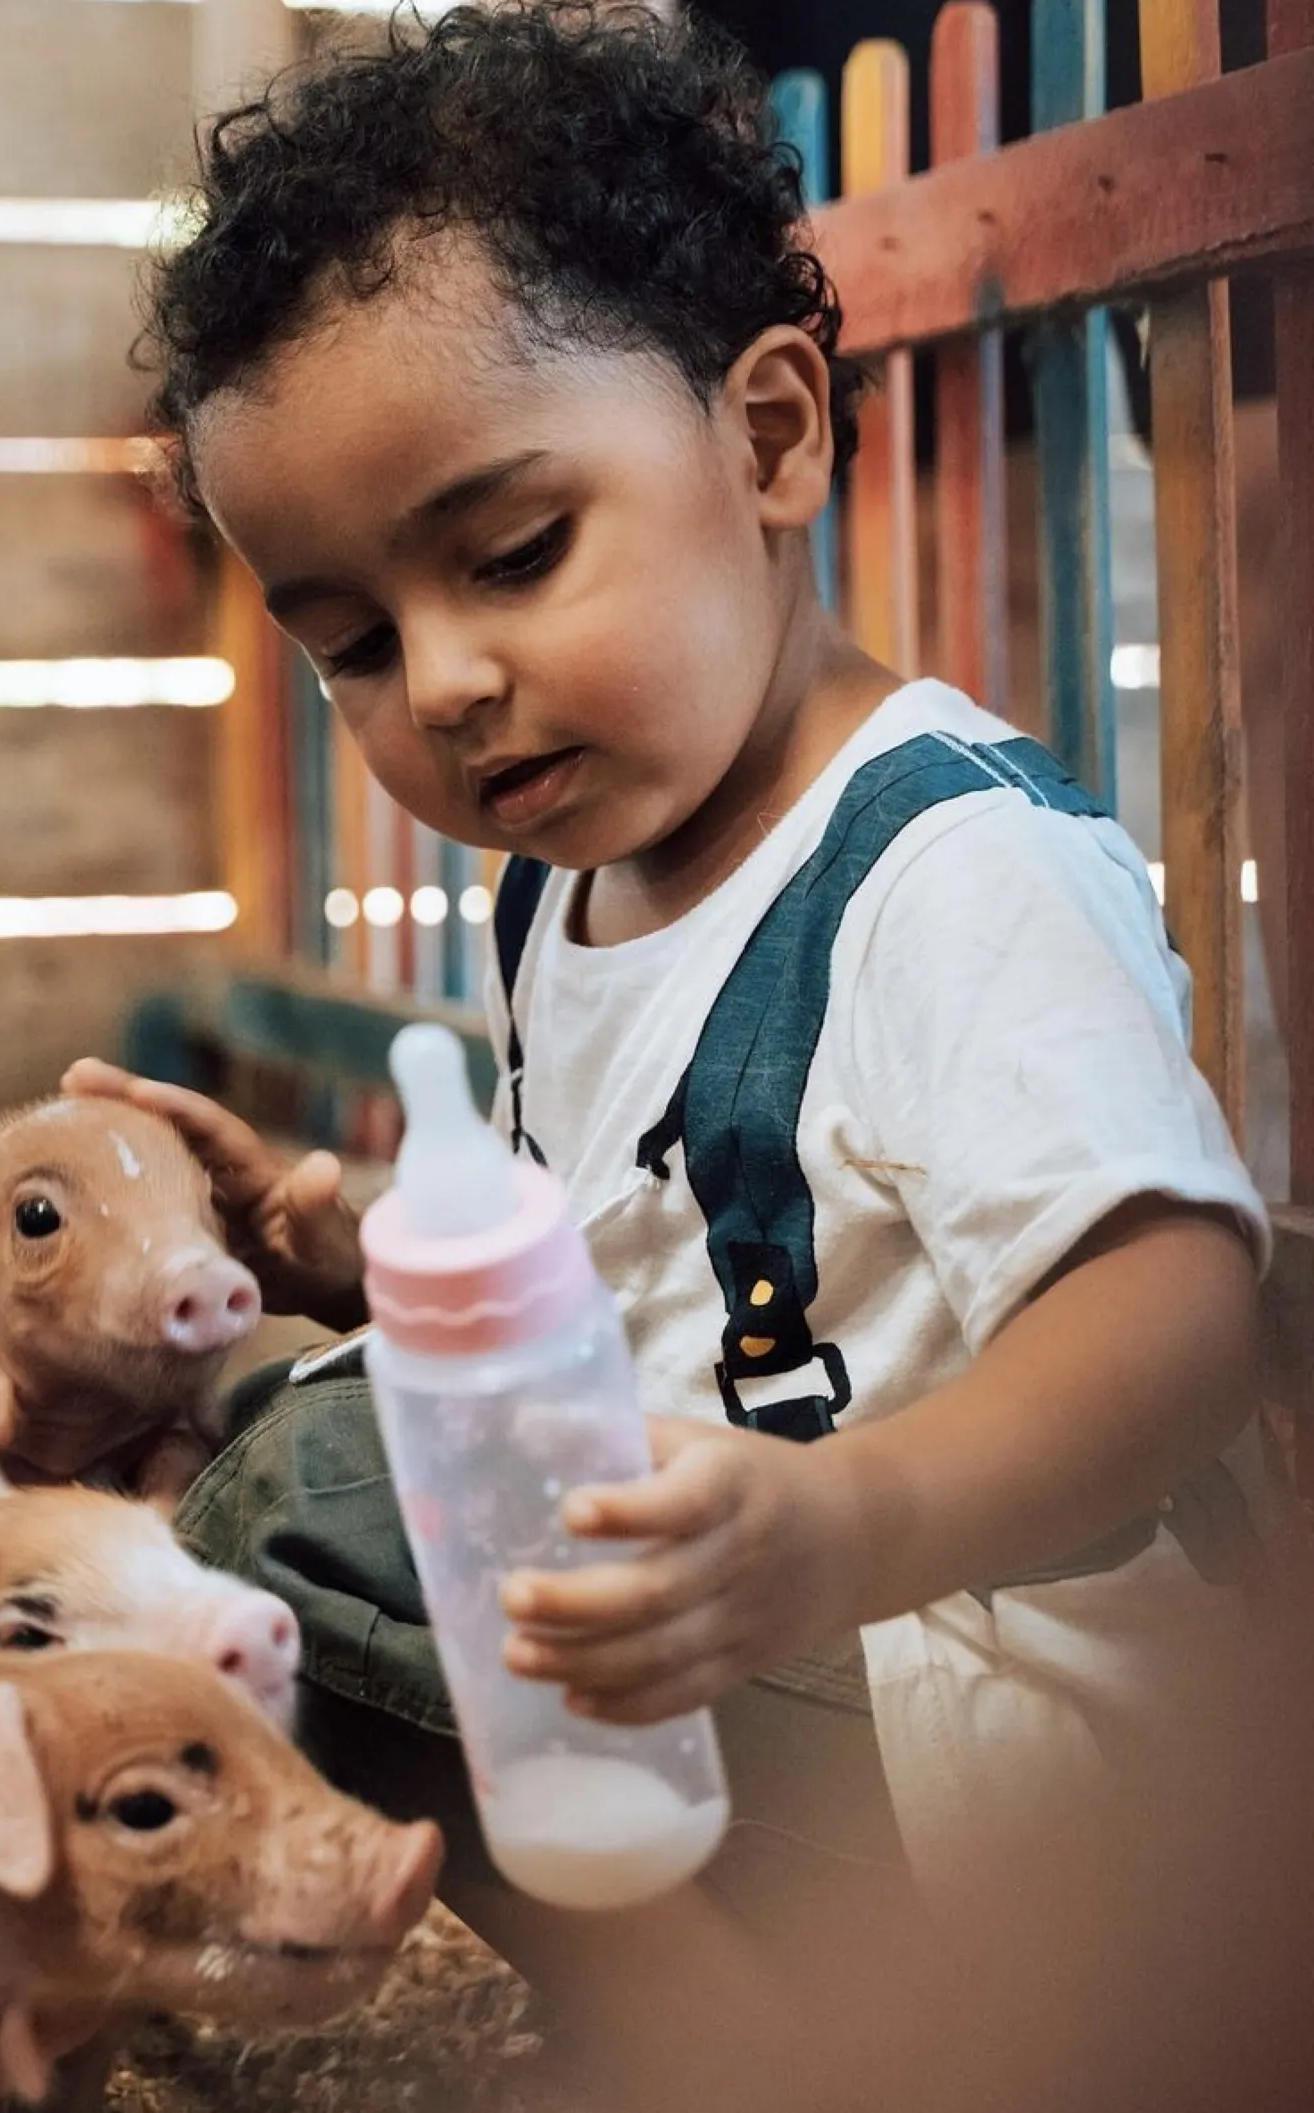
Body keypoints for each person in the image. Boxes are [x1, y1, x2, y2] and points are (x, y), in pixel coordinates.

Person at [65, 0, 1279, 2078]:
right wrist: (364, 1261)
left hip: (1012, 1731)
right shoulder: (571, 882)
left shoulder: (943, 869)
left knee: (303, 1502)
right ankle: (728, 2033)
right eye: (355, 642)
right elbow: (622, 1271)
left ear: (772, 437)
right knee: (292, 1447)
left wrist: (848, 1525)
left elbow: (1176, 1318)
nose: (447, 681)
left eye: (515, 555)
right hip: (761, 1660)